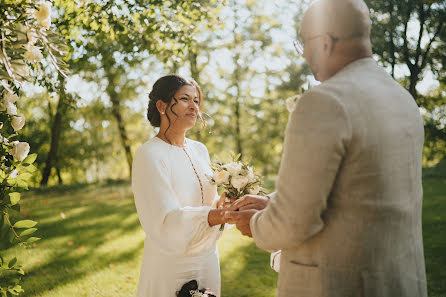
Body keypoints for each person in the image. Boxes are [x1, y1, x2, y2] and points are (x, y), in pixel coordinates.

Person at [224, 0, 428, 296]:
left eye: (304, 43)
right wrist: (275, 203)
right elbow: (361, 193)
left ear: (325, 42)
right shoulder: (403, 99)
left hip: (338, 284)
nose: (304, 53)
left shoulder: (325, 102)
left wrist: (255, 224)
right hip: (398, 279)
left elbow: (293, 223)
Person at [132, 74, 229, 297]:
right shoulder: (150, 154)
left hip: (208, 259)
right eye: (185, 99)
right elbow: (165, 220)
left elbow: (208, 203)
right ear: (162, 105)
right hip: (171, 264)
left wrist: (225, 204)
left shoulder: (200, 150)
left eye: (196, 100)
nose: (194, 107)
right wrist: (216, 215)